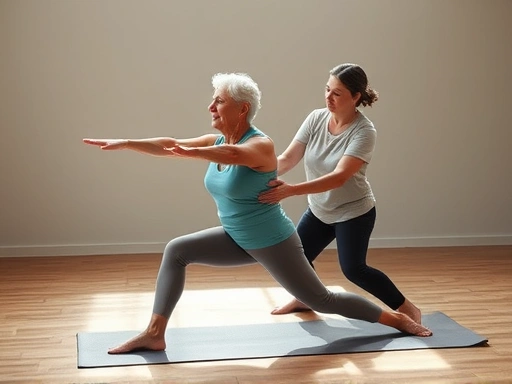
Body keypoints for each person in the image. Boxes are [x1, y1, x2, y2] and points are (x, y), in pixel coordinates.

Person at [83, 72, 431, 354]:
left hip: (272, 240)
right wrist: (128, 142)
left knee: (322, 300)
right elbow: (169, 142)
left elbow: (235, 157)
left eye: (219, 101)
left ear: (242, 109)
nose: (211, 107)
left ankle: (395, 319)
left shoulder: (259, 145)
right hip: (236, 235)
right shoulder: (215, 142)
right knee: (177, 250)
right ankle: (155, 333)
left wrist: (188, 154)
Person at [259, 63, 423, 324]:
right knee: (294, 258)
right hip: (319, 209)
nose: (328, 97)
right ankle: (304, 297)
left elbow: (339, 177)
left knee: (354, 269)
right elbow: (289, 158)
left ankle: (408, 309)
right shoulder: (315, 118)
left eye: (337, 93)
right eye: (327, 89)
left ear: (356, 97)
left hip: (353, 212)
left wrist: (291, 191)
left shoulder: (364, 131)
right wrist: (258, 172)